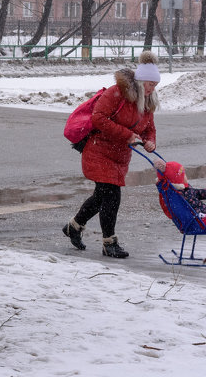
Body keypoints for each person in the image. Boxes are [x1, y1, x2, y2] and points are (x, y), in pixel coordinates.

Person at [62, 50, 160, 258]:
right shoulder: (117, 93)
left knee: (100, 197)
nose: (153, 89)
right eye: (150, 84)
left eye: (155, 85)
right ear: (141, 82)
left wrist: (150, 141)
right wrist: (127, 135)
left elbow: (149, 127)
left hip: (120, 155)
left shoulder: (147, 103)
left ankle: (74, 227)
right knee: (112, 196)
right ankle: (109, 243)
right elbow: (98, 118)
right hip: (99, 149)